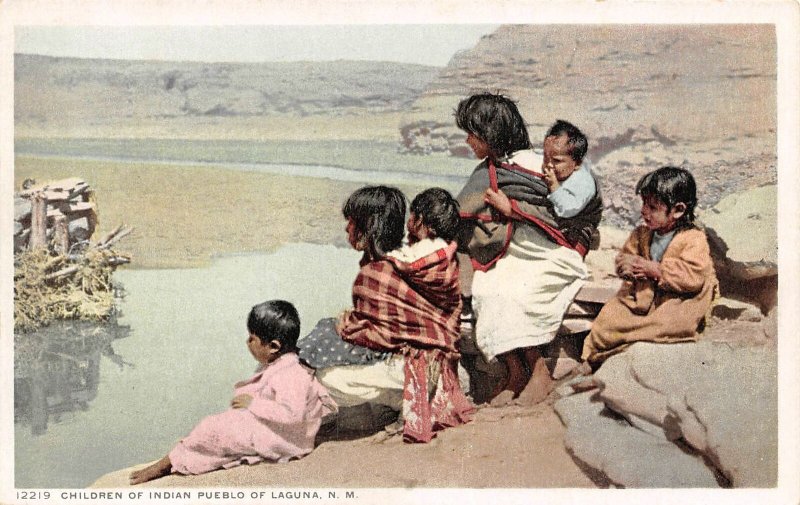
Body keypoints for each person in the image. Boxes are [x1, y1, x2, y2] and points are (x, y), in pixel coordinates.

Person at [455, 93, 603, 406]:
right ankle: (514, 372)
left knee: (518, 293)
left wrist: (515, 209)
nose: (467, 140)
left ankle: (539, 372)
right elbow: (463, 211)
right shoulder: (487, 170)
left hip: (549, 250)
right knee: (489, 288)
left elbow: (563, 214)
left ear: (491, 135)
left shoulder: (539, 166)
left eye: (472, 133)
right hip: (511, 249)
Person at [299, 186, 473, 443]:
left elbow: (381, 336)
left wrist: (347, 326)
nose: (347, 228)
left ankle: (400, 400)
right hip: (442, 360)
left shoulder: (376, 273)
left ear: (367, 228)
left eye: (351, 222)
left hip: (416, 366)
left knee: (325, 378)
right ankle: (399, 399)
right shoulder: (409, 260)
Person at [129, 300, 337, 484]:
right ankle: (177, 457)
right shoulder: (284, 364)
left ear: (273, 346)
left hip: (287, 439)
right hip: (279, 430)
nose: (247, 343)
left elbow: (292, 414)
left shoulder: (291, 375)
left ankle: (167, 464)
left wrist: (252, 405)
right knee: (219, 427)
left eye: (252, 338)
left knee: (211, 428)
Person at [581, 166, 718, 367]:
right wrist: (627, 266)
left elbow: (694, 277)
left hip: (675, 300)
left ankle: (625, 354)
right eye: (644, 203)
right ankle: (591, 360)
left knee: (665, 324)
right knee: (610, 317)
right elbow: (624, 258)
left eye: (653, 207)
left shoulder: (693, 238)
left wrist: (657, 270)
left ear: (678, 210)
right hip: (641, 298)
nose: (644, 211)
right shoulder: (641, 234)